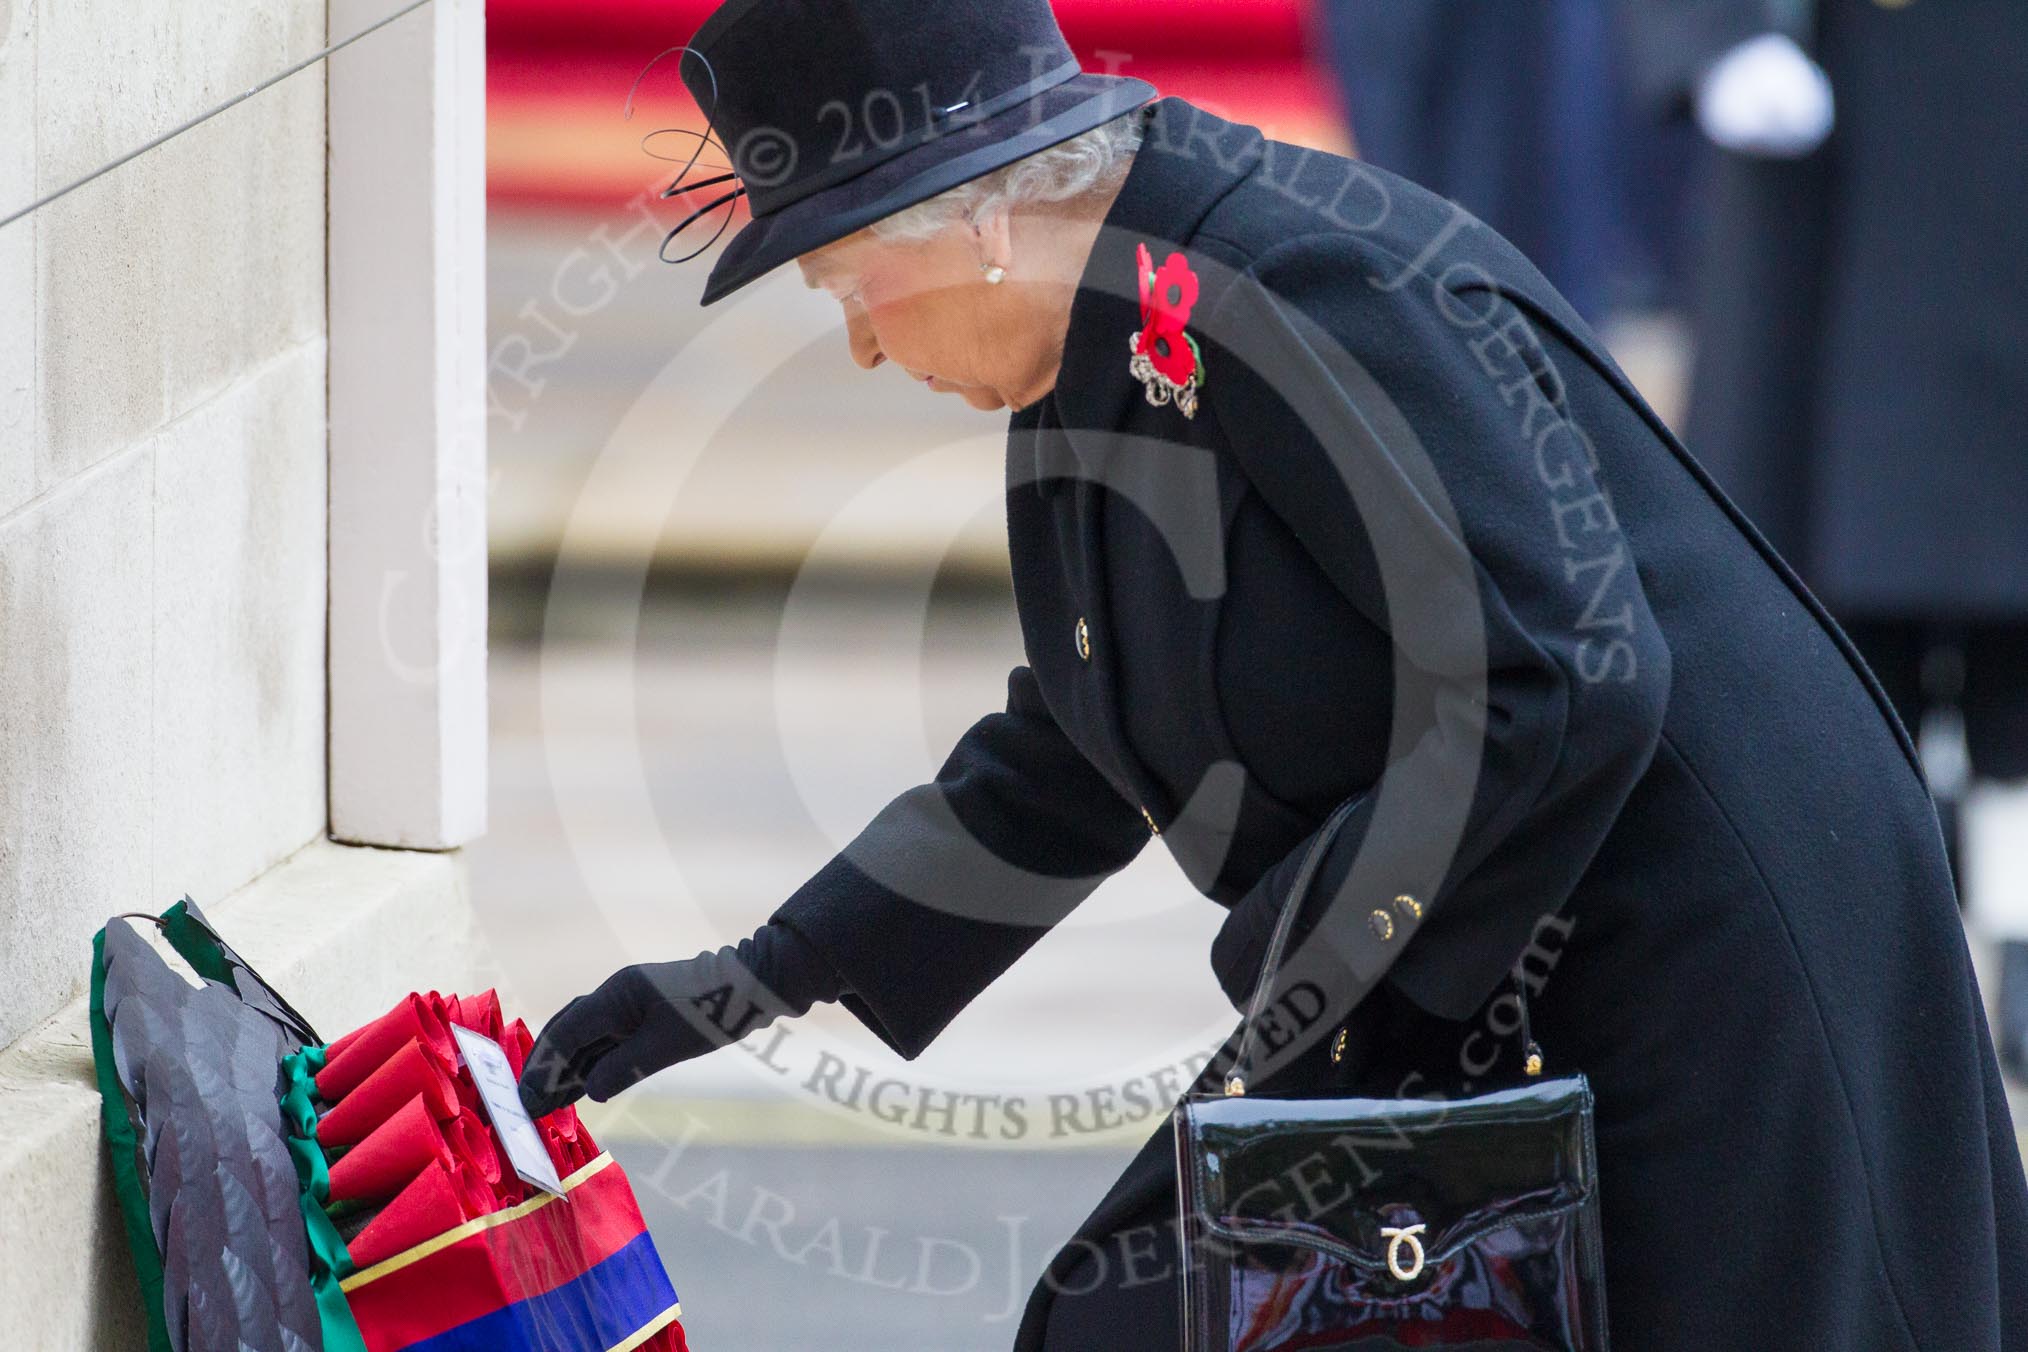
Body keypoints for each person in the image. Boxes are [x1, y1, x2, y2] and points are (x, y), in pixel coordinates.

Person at [517, 1, 2028, 1346]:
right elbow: (1078, 737)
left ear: (970, 216)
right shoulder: (1091, 331)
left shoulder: (1297, 275)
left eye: (849, 280)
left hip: (1703, 959)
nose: (854, 345)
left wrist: (1313, 1011)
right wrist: (757, 979)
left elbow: (1558, 675)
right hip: (1491, 941)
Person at [1621, 0, 2028, 1074]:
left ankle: (2019, 934)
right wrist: (1711, 40)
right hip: (1826, 140)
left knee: (2013, 626)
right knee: (1823, 629)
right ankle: (1874, 947)